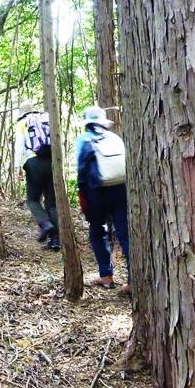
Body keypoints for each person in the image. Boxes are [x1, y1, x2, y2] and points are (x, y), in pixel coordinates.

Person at [76, 106, 130, 291]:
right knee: (125, 233)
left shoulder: (84, 139)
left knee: (97, 232)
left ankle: (106, 277)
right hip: (120, 189)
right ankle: (134, 281)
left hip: (96, 192)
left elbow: (80, 170)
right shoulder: (115, 138)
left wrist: (83, 196)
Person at [14, 102, 59, 250]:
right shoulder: (46, 118)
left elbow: (19, 146)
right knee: (51, 203)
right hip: (51, 161)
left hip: (33, 162)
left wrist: (17, 167)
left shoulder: (22, 123)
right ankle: (55, 240)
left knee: (32, 200)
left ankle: (45, 224)